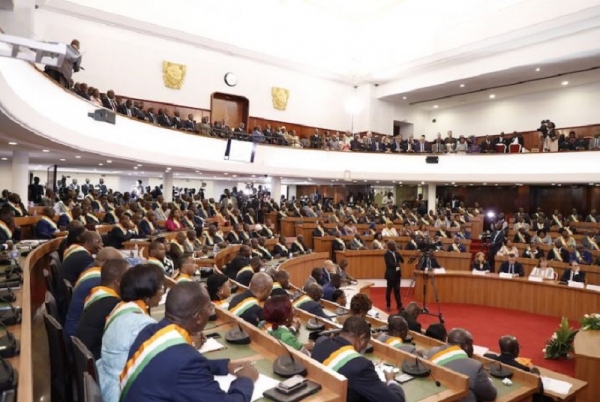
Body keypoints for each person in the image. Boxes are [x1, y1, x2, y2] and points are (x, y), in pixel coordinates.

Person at [120, 282, 256, 401]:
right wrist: (246, 380)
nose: (211, 312)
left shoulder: (149, 331)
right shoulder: (186, 361)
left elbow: (174, 365)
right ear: (197, 317)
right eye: (209, 308)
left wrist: (225, 366)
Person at [98, 264, 165, 402]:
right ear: (148, 293)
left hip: (106, 381)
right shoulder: (143, 324)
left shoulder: (120, 307)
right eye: (160, 287)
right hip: (122, 393)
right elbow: (159, 368)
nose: (162, 292)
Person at [311, 316, 406, 402]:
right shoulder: (361, 366)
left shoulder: (320, 344)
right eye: (366, 343)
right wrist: (391, 381)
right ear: (362, 338)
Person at [64, 248, 124, 339]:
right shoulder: (97, 281)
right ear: (108, 264)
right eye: (118, 264)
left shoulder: (91, 268)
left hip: (78, 330)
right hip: (76, 335)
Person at [76, 258, 130, 360]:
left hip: (83, 356)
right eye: (129, 277)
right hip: (95, 361)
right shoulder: (111, 304)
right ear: (118, 281)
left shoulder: (97, 293)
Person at [426, 328, 497, 402]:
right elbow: (490, 395)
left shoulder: (432, 351)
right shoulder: (475, 367)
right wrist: (485, 377)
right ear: (467, 345)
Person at [384, 241, 403, 312]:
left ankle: (399, 305)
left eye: (395, 245)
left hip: (397, 275)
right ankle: (388, 305)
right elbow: (390, 263)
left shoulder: (396, 253)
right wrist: (397, 265)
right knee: (389, 290)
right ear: (390, 246)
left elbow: (402, 261)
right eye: (394, 245)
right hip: (390, 275)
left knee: (397, 290)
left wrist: (399, 254)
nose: (395, 246)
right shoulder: (386, 254)